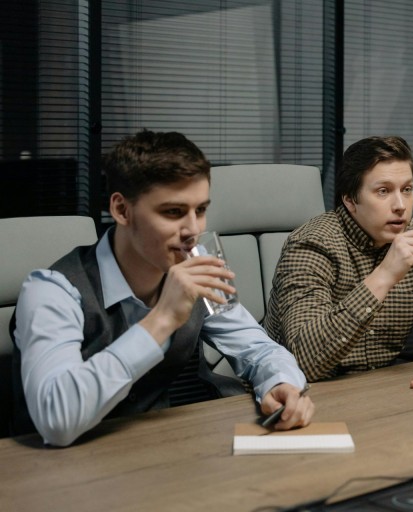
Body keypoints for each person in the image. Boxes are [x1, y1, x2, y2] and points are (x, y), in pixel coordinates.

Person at [12, 129, 314, 446]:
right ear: (121, 210)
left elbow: (259, 350)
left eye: (200, 210)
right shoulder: (51, 291)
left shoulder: (194, 264)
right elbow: (57, 422)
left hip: (160, 448)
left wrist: (281, 384)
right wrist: (163, 318)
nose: (193, 230)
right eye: (173, 212)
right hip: (62, 469)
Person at [264, 136, 413, 390]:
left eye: (406, 190)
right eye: (383, 191)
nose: (400, 206)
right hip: (296, 395)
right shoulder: (312, 244)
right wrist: (385, 274)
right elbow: (306, 361)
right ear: (350, 200)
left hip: (378, 390)